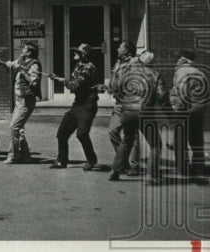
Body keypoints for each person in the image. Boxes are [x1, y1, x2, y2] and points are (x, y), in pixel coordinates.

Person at [109, 51, 166, 183]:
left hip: (127, 112)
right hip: (145, 113)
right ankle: (152, 175)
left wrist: (122, 103)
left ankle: (115, 171)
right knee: (155, 144)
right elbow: (162, 95)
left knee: (126, 141)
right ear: (152, 63)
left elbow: (116, 88)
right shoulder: (155, 74)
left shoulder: (129, 73)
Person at [48, 43, 99, 170]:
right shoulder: (78, 66)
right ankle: (62, 160)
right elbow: (72, 82)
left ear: (84, 54)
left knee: (82, 134)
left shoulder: (88, 67)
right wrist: (59, 79)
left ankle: (91, 159)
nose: (74, 53)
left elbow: (75, 85)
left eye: (77, 52)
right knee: (62, 133)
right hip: (78, 104)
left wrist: (63, 81)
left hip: (88, 104)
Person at [0, 42, 42, 164]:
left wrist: (23, 73)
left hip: (26, 100)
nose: (22, 50)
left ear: (29, 52)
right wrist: (0, 63)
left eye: (24, 49)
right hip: (19, 99)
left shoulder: (34, 65)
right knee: (19, 128)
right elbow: (11, 65)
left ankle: (13, 156)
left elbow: (34, 82)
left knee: (14, 127)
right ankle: (26, 156)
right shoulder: (21, 60)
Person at [170, 49, 209, 178]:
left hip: (184, 109)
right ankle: (199, 168)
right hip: (198, 109)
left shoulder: (180, 72)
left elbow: (181, 91)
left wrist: (177, 110)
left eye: (178, 58)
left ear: (183, 59)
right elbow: (206, 94)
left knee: (180, 140)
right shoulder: (200, 73)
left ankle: (182, 169)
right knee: (197, 140)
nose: (176, 60)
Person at [105, 41, 141, 175]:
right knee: (113, 132)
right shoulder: (118, 63)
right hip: (119, 102)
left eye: (120, 47)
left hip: (131, 103)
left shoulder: (135, 63)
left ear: (127, 50)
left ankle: (135, 165)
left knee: (133, 135)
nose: (117, 49)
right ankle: (123, 163)